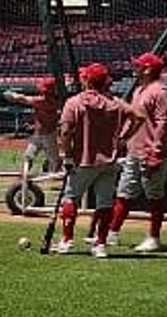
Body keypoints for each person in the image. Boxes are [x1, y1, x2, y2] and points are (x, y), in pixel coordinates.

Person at [55, 63, 139, 257]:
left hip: (83, 161)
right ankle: (100, 244)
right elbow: (137, 116)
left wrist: (67, 156)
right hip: (109, 161)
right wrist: (124, 139)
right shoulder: (115, 103)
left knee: (71, 198)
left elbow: (65, 132)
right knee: (105, 203)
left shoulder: (74, 102)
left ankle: (67, 241)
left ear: (87, 80)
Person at [105, 52, 167, 253]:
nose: (134, 68)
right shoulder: (139, 90)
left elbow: (163, 122)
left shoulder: (160, 91)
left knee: (154, 194)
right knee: (124, 191)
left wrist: (157, 149)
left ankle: (154, 237)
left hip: (152, 152)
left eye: (138, 66)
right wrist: (123, 139)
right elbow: (136, 120)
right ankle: (112, 233)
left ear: (148, 69)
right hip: (135, 150)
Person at [0, 76, 61, 175]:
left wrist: (9, 94)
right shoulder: (56, 101)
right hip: (39, 134)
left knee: (54, 162)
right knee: (29, 156)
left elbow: (21, 98)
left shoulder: (43, 101)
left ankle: (58, 181)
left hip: (49, 135)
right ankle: (24, 177)